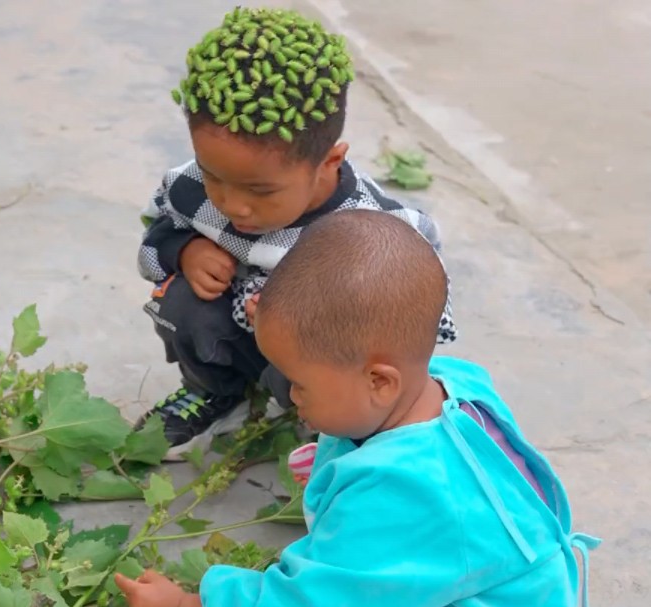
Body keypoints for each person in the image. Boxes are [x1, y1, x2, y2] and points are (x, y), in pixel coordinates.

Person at [117, 210, 600, 607]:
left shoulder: (400, 491)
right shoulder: (455, 383)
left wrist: (189, 603)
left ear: (379, 382)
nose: (290, 397)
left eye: (300, 384)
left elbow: (314, 598)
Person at [136, 7, 457, 459]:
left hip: (312, 356)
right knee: (181, 301)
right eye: (214, 176)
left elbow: (411, 331)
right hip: (238, 333)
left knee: (334, 365)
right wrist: (184, 249)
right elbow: (155, 240)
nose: (232, 205)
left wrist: (304, 317)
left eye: (259, 190)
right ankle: (216, 391)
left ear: (329, 161)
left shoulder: (377, 231)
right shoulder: (191, 190)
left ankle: (333, 428)